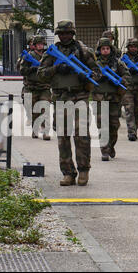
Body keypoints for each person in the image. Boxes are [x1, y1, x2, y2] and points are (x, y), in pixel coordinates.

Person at [38, 20, 100, 186]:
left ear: (73, 34)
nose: (65, 36)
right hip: (60, 98)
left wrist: (85, 76)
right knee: (63, 137)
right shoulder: (51, 53)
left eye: (68, 33)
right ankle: (68, 173)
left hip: (80, 96)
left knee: (82, 136)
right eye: (62, 33)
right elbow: (41, 74)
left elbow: (97, 74)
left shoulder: (84, 51)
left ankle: (84, 170)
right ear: (58, 35)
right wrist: (56, 69)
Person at [93, 37, 130, 161]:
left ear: (111, 49)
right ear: (99, 50)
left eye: (107, 48)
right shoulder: (95, 63)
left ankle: (111, 146)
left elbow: (127, 76)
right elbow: (88, 76)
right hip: (99, 98)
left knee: (114, 126)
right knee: (102, 125)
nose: (105, 51)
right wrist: (98, 77)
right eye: (103, 48)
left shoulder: (117, 63)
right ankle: (104, 150)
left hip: (114, 98)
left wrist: (119, 80)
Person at [19, 35, 51, 140]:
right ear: (35, 45)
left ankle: (45, 131)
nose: (40, 46)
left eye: (42, 44)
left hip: (44, 87)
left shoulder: (48, 56)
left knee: (44, 108)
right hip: (31, 86)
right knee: (33, 110)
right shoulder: (29, 55)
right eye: (38, 44)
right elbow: (22, 70)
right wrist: (31, 69)